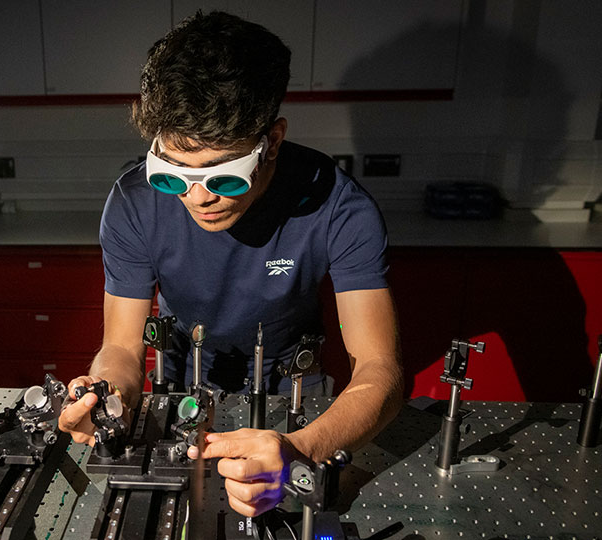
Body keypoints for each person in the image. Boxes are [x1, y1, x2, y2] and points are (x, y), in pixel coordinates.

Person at [59, 10, 403, 517]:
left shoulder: (339, 207)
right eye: (172, 175)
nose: (198, 197)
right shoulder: (132, 202)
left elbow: (381, 371)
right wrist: (107, 398)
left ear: (274, 141)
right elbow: (121, 348)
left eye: (225, 178)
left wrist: (300, 448)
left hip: (294, 397)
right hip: (179, 389)